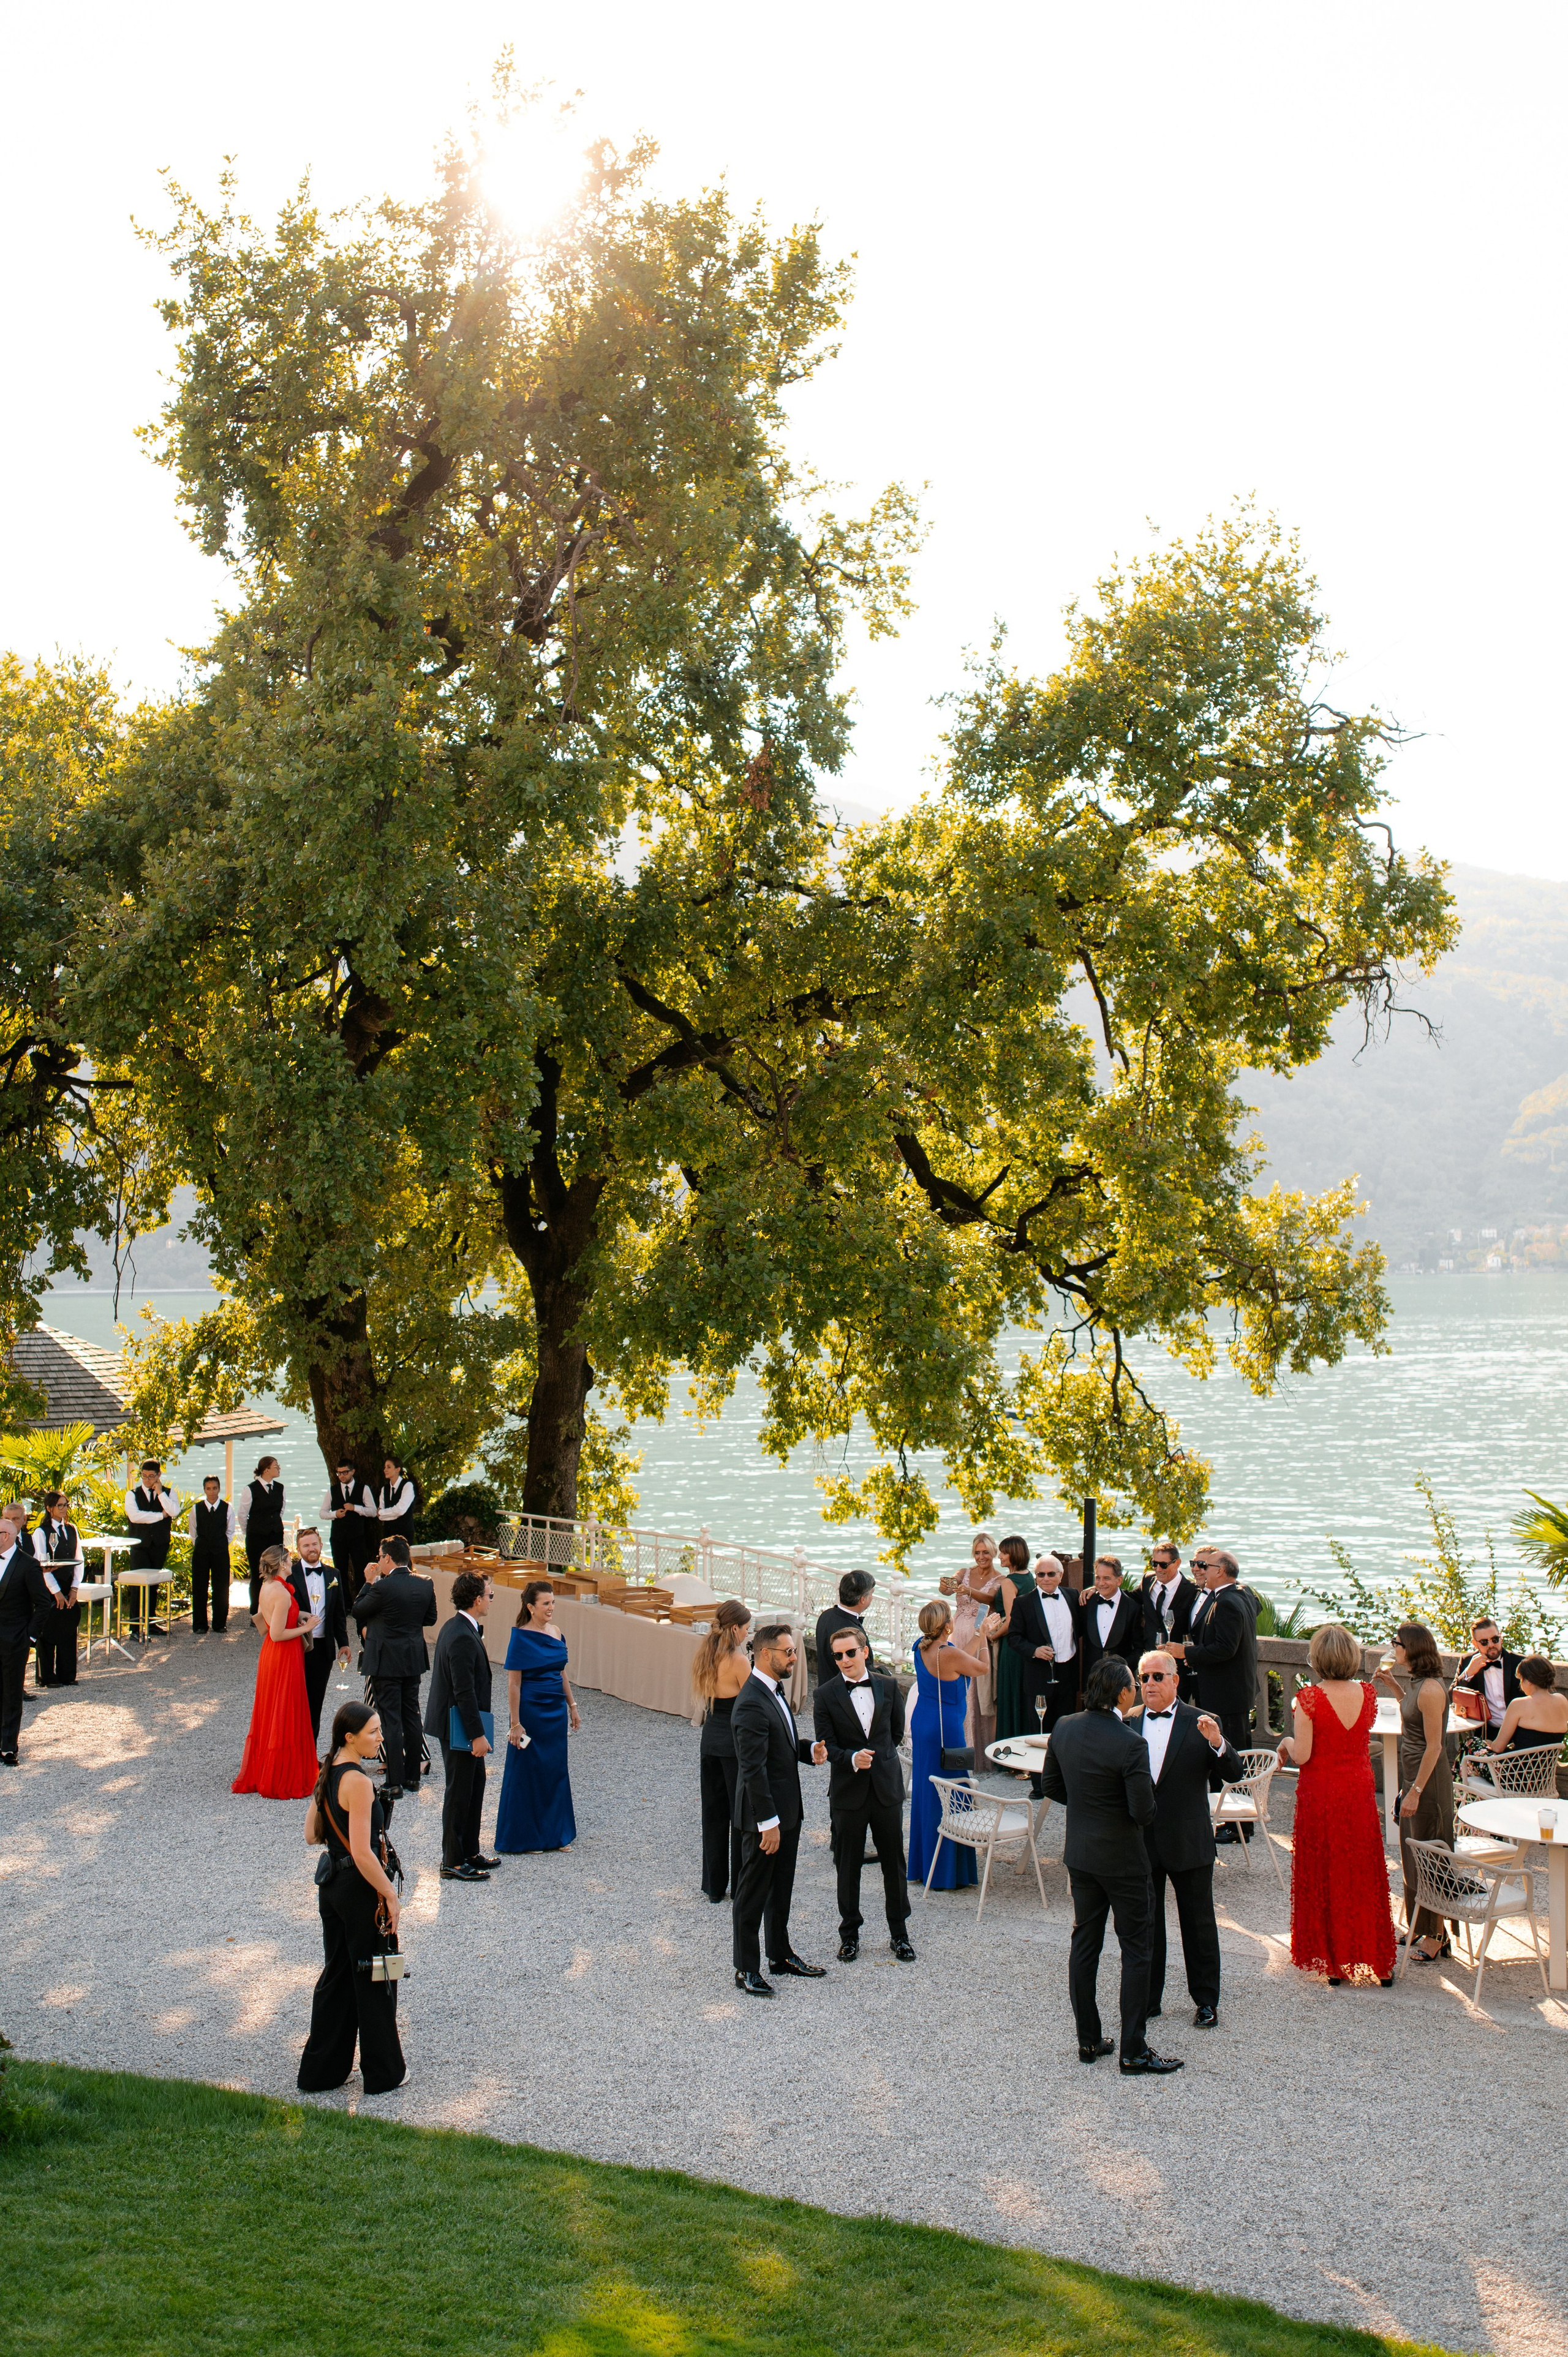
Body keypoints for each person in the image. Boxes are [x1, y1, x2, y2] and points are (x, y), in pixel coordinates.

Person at [1038, 1654, 1180, 2074]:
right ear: (1122, 1693)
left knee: (1086, 1944)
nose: (1138, 1689)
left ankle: (1088, 2040)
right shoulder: (1131, 1744)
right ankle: (1133, 2050)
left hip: (1081, 1855)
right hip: (1123, 1860)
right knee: (1137, 1950)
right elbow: (1142, 1811)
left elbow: (1049, 1785)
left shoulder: (1064, 1726)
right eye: (1134, 1685)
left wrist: (1088, 1808)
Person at [1277, 1621, 1396, 1986]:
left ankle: (1332, 1962)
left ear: (1318, 1659)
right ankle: (1375, 1959)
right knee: (1362, 1869)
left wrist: (1284, 1743)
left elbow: (1305, 1753)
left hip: (1323, 1792)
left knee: (1325, 1868)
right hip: (1358, 1790)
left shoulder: (1309, 1699)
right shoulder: (1368, 1693)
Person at [1131, 1650, 1245, 2027]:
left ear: (1176, 1680)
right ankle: (1148, 1998)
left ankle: (1206, 2001)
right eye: (1144, 1678)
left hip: (1189, 1838)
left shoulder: (1201, 1723)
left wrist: (1218, 1743)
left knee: (1198, 1924)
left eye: (1158, 1677)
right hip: (1143, 1841)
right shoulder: (1128, 1723)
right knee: (1146, 1924)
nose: (1150, 1684)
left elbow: (1234, 1773)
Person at [298, 1699, 406, 2097]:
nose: (380, 1738)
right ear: (351, 1736)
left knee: (338, 1977)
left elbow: (311, 1835)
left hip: (332, 1891)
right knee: (379, 1976)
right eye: (373, 1732)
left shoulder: (328, 1770)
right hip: (362, 1892)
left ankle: (322, 2072)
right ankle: (384, 2074)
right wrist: (390, 1894)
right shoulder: (358, 1782)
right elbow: (363, 1852)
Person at [730, 1621, 828, 1996]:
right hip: (765, 1818)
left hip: (787, 1812)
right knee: (752, 1893)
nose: (794, 1658)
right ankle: (746, 1969)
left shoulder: (774, 1691)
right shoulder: (752, 1702)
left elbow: (779, 1746)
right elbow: (752, 1770)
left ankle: (780, 1955)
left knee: (781, 1889)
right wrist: (767, 1823)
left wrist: (807, 1751)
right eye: (789, 1652)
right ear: (766, 1654)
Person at [813, 1621, 914, 1963]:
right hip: (848, 1792)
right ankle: (849, 1935)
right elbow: (826, 1746)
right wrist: (852, 1758)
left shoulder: (888, 1685)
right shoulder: (824, 1695)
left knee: (894, 1864)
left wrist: (878, 1758)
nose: (844, 1660)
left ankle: (899, 1934)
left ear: (865, 1652)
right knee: (848, 1865)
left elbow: (896, 1734)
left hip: (886, 1789)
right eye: (838, 1656)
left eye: (850, 1653)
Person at [1373, 1622, 1455, 1966]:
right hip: (1413, 1779)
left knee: (1430, 1857)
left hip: (1429, 1785)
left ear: (1413, 1648)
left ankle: (1438, 1937)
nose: (1393, 1648)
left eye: (1397, 1643)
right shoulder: (1418, 1685)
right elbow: (1415, 1715)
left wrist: (1416, 1792)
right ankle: (1420, 1924)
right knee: (1410, 1856)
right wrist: (1393, 1685)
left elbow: (1434, 1746)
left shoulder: (1433, 1689)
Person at [905, 1597, 989, 1891]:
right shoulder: (947, 1654)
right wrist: (986, 1640)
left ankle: (923, 1865)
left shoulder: (924, 1646)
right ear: (946, 1625)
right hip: (946, 1731)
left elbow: (959, 1657)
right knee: (952, 1792)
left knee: (928, 1793)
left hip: (925, 1724)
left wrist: (977, 1635)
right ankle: (948, 1872)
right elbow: (980, 1668)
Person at [1171, 1548, 1259, 1824]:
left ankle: (1238, 1824)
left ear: (1220, 1571)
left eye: (1204, 1566)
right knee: (1232, 1753)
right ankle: (1231, 1818)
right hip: (1232, 1691)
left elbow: (1225, 1649)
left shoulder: (1228, 1602)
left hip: (1227, 1694)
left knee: (1232, 1757)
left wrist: (1187, 1653)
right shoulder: (1241, 1594)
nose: (1200, 1570)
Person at [425, 1570, 502, 1882]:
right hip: (458, 1727)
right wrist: (477, 1735)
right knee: (459, 1792)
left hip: (462, 1725)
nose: (490, 1600)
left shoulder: (459, 1627)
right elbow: (463, 1691)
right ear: (476, 1600)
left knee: (475, 1786)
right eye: (489, 1595)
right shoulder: (459, 1634)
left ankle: (469, 1850)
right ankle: (452, 1861)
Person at [495, 1580, 581, 1853]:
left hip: (555, 1712)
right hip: (531, 1711)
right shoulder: (521, 1636)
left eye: (553, 1602)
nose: (551, 1608)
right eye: (546, 1603)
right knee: (529, 1773)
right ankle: (528, 1838)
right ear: (531, 1607)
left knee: (555, 1771)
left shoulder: (556, 1632)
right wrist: (515, 1723)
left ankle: (556, 1835)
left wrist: (572, 1705)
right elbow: (514, 1684)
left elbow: (561, 1672)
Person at [232, 1542, 322, 1799]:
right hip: (284, 1655)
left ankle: (266, 1770)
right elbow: (278, 1633)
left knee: (272, 1711)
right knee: (285, 1711)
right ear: (281, 1564)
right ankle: (282, 1776)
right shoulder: (281, 1593)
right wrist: (307, 1627)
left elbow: (266, 1617)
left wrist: (300, 1614)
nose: (292, 1562)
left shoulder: (267, 1587)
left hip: (271, 1654)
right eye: (289, 1559)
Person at [351, 1537, 437, 1799]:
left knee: (390, 1719)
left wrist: (367, 1581)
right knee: (412, 1716)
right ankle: (412, 1778)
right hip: (412, 1658)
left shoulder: (383, 1587)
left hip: (385, 1660)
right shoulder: (425, 1583)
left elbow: (357, 1611)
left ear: (388, 1558)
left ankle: (395, 1782)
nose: (378, 1561)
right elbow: (430, 1618)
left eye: (380, 1556)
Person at [693, 1598, 753, 1901]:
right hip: (732, 1745)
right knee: (739, 1816)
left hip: (710, 1741)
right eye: (745, 1629)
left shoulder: (706, 1655)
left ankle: (714, 1886)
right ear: (734, 1628)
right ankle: (742, 1883)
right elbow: (752, 1702)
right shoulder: (740, 1661)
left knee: (713, 1815)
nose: (747, 1634)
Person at [1004, 1553, 1080, 1740]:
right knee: (1039, 1732)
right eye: (1041, 1574)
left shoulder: (1072, 1596)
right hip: (1039, 1677)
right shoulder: (1023, 1602)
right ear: (1036, 1576)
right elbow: (1013, 1637)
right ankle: (1038, 1770)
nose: (1046, 1578)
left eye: (1051, 1574)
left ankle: (1063, 1769)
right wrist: (1034, 1650)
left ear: (1061, 1576)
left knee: (1066, 1731)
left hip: (1067, 1675)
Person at [941, 1531, 1005, 1755]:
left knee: (979, 1689)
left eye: (986, 1552)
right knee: (957, 1683)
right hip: (958, 1633)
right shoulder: (964, 1572)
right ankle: (958, 1741)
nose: (981, 1557)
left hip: (980, 1635)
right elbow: (946, 1589)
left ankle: (980, 1749)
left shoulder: (1001, 1579)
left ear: (994, 1553)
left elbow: (991, 1599)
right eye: (977, 1553)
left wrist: (969, 1590)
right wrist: (948, 1585)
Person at [290, 1528, 352, 1741]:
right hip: (297, 1647)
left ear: (321, 1545)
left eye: (314, 1544)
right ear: (298, 1549)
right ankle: (292, 1756)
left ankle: (309, 1758)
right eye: (306, 1545)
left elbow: (338, 1613)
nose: (311, 1549)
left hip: (324, 1649)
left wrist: (343, 1643)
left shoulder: (333, 1575)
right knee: (295, 1705)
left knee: (315, 1705)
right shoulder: (290, 1575)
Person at [0, 1512, 50, 1763]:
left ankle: (8, 1747)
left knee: (11, 1695)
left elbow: (44, 1604)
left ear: (6, 1536)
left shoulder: (28, 1564)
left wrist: (30, 1638)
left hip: (14, 1641)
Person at [32, 1491, 84, 1688]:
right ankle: (46, 1677)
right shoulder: (41, 1532)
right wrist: (56, 1591)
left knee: (69, 1628)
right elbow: (41, 1563)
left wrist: (75, 1588)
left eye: (66, 1505)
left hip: (69, 1585)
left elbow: (79, 1559)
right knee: (48, 1631)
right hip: (49, 1587)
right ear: (49, 1508)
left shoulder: (72, 1529)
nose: (64, 1509)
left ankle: (67, 1675)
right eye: (60, 1505)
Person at [990, 1536, 1038, 1742]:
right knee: (1023, 1697)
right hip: (1028, 1644)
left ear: (1014, 1555)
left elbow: (1010, 1622)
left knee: (1010, 1696)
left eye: (1004, 1553)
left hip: (1012, 1646)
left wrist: (993, 1636)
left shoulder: (1009, 1582)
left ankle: (1009, 1748)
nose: (999, 1557)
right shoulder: (1030, 1577)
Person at [124, 1459, 178, 1637]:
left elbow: (174, 1511)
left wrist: (161, 1493)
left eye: (151, 1476)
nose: (147, 1480)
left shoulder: (169, 1493)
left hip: (159, 1545)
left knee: (153, 1584)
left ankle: (151, 1622)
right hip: (139, 1545)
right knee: (138, 1586)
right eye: (144, 1476)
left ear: (159, 1475)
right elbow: (135, 1516)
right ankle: (135, 1627)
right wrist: (160, 1516)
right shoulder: (132, 1494)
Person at [1478, 1655, 1568, 1754]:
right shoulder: (1562, 1700)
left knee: (1470, 1744)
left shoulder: (1519, 1704)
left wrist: (1489, 1743)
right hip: (1546, 1768)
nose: (1521, 1685)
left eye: (1521, 1680)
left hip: (1516, 1768)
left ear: (1529, 1681)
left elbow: (1498, 1748)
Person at [1453, 1618, 1524, 1741]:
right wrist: (1469, 1673)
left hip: (1520, 1732)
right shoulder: (1468, 1662)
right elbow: (1452, 1696)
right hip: (1487, 1734)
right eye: (1484, 1642)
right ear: (1475, 1644)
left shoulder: (1520, 1663)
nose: (1491, 1645)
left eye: (1495, 1639)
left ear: (1500, 1637)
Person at [1077, 1556, 1144, 1686]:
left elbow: (1139, 1649)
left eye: (1106, 1578)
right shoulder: (1086, 1602)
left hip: (1120, 1681)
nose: (1101, 1583)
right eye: (1098, 1578)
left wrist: (1121, 1666)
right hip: (1091, 1680)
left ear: (1119, 1580)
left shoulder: (1132, 1608)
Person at [321, 1461, 379, 1599]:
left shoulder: (363, 1489)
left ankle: (363, 1600)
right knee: (340, 1571)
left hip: (357, 1536)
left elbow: (373, 1511)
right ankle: (344, 1603)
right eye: (339, 1473)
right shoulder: (333, 1490)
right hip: (338, 1537)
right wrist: (335, 1514)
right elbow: (322, 1513)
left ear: (352, 1472)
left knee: (361, 1570)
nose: (342, 1476)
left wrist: (356, 1508)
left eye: (345, 1472)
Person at [187, 1474, 236, 1636]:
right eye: (208, 1488)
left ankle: (220, 1623)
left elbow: (230, 1531)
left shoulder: (227, 1508)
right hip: (201, 1552)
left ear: (219, 1489)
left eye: (214, 1488)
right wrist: (202, 1545)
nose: (212, 1492)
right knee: (200, 1587)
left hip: (221, 1551)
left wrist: (220, 1544)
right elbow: (193, 1532)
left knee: (221, 1588)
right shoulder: (196, 1509)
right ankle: (200, 1624)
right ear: (204, 1490)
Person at [237, 1456, 286, 1615]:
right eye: (276, 1466)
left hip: (275, 1536)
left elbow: (281, 1510)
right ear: (266, 1470)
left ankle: (274, 1610)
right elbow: (242, 1515)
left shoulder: (280, 1488)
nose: (279, 1468)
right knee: (258, 1574)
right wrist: (249, 1532)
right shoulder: (250, 1489)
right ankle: (256, 1612)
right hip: (256, 1537)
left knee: (276, 1573)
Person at [814, 1570, 876, 1686]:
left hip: (826, 1688)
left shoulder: (826, 1616)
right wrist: (885, 1673)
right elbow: (864, 1672)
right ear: (863, 1599)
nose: (872, 1598)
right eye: (871, 1594)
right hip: (847, 1695)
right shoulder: (851, 1632)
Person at [1141, 1542, 1199, 1659]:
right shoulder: (1148, 1581)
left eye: (1163, 1565)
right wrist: (1098, 1590)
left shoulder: (1192, 1591)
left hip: (1178, 1662)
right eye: (1154, 1563)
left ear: (1177, 1563)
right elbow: (1130, 1598)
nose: (1158, 1569)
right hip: (1150, 1657)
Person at [376, 1458, 417, 1548]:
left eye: (389, 1467)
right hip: (388, 1534)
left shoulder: (408, 1486)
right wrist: (386, 1514)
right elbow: (382, 1517)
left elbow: (400, 1510)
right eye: (385, 1467)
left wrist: (381, 1513)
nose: (385, 1470)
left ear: (398, 1469)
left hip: (404, 1534)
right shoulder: (385, 1489)